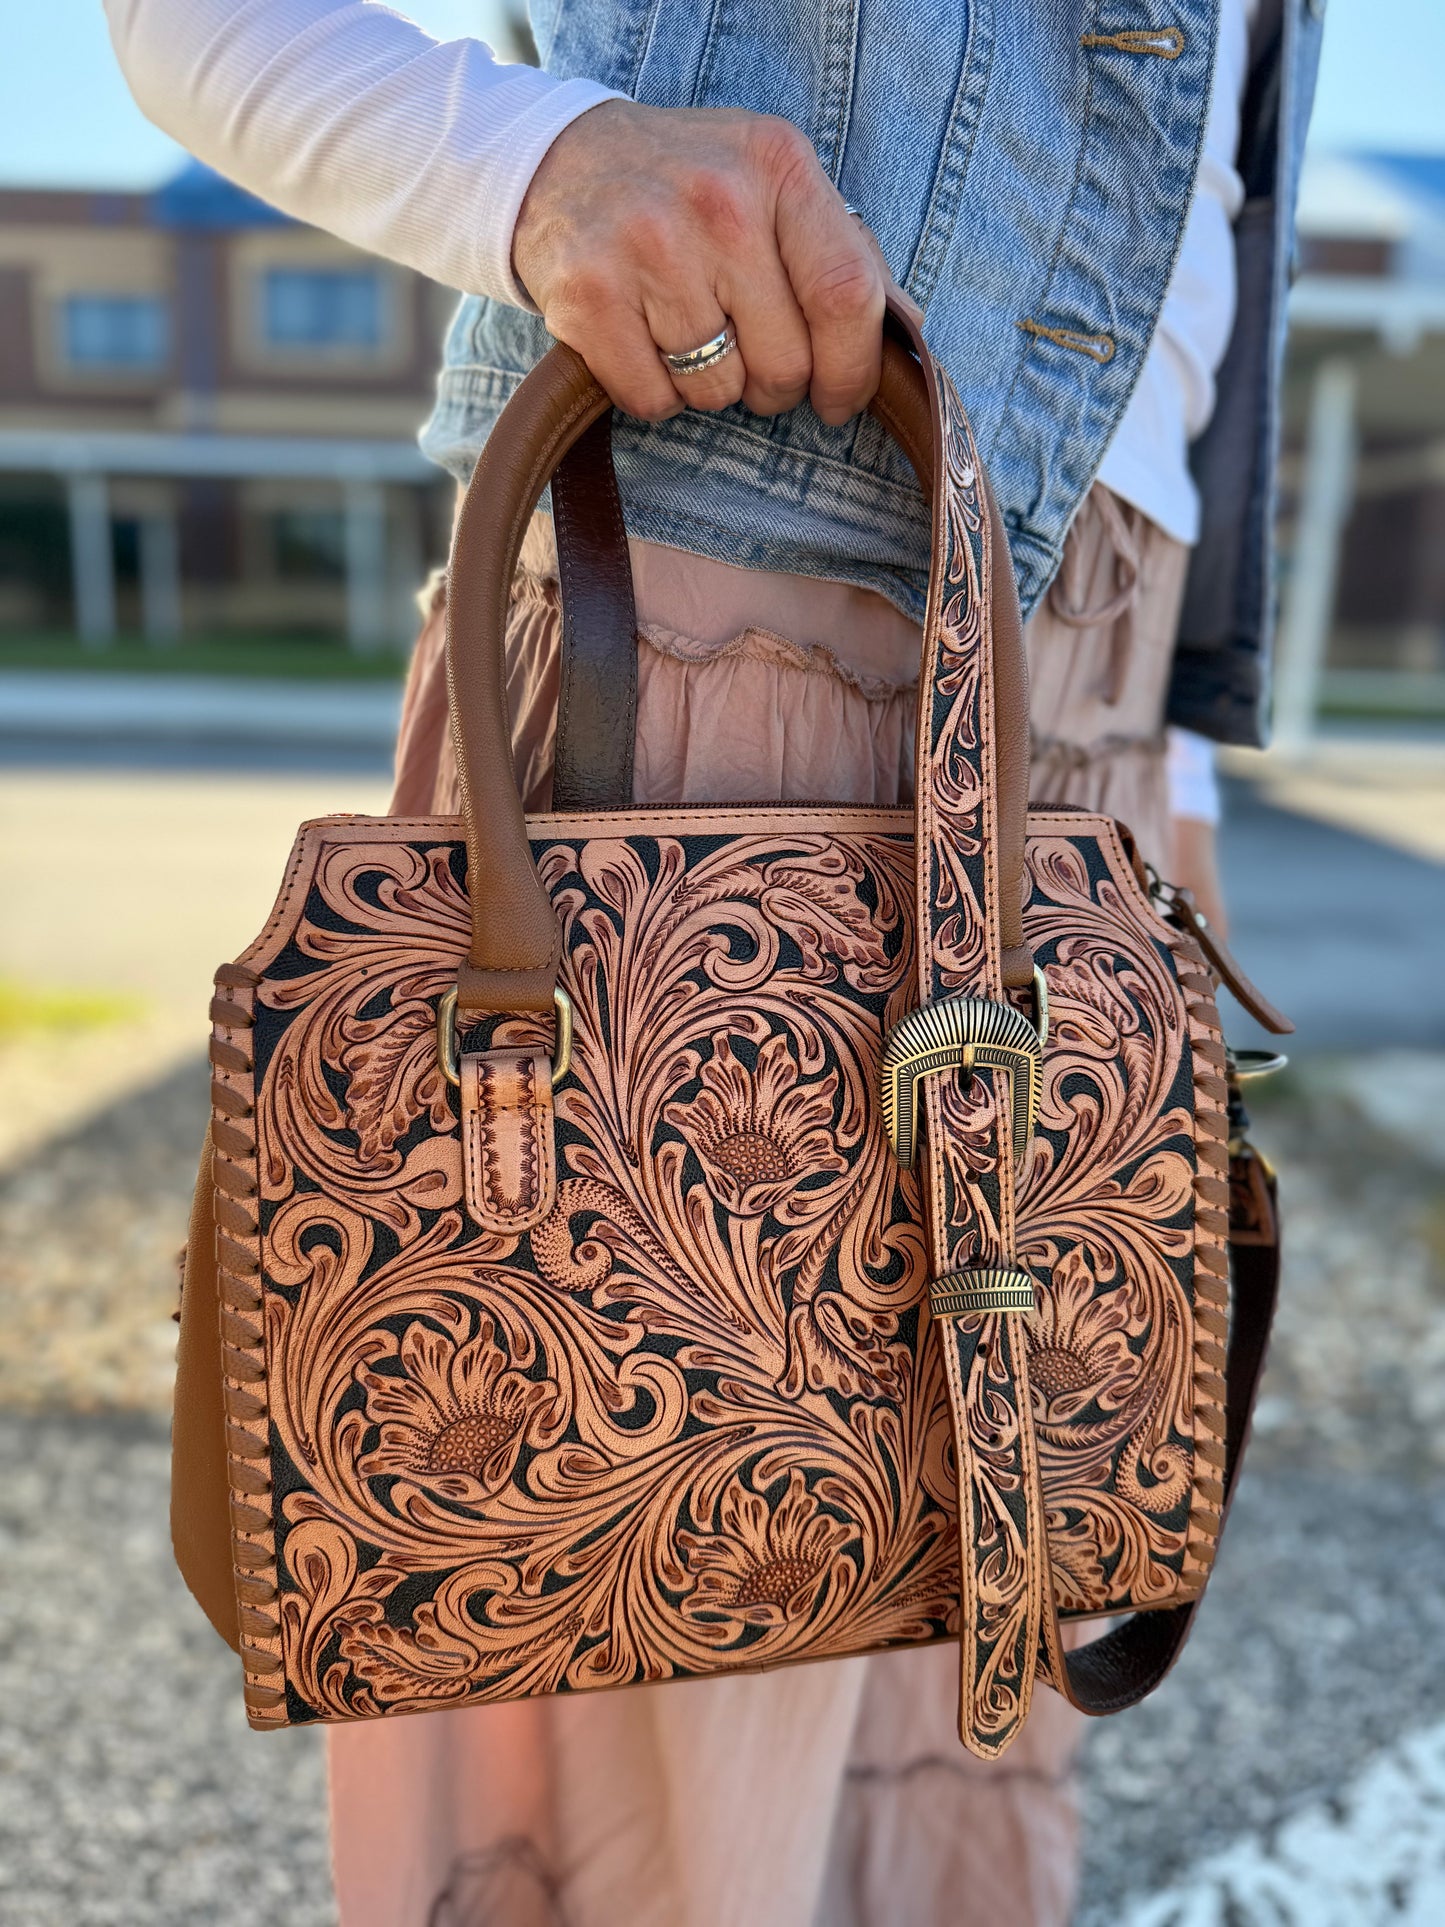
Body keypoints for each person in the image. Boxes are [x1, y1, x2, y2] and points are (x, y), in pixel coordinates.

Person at [108, 1, 1322, 1920]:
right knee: (638, 1613)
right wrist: (527, 165)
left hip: (1088, 666)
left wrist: (1154, 795)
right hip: (712, 613)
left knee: (974, 1603)